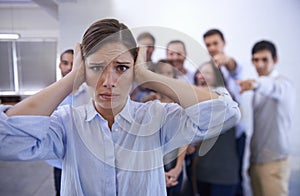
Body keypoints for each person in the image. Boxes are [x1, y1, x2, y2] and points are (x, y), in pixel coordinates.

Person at [0, 18, 240, 196]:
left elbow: (226, 112)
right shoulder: (66, 123)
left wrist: (147, 76)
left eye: (121, 67)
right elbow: (5, 138)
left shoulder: (155, 118)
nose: (108, 81)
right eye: (97, 68)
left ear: (134, 68)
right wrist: (70, 79)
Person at [237, 40, 295, 196]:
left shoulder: (283, 85)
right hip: (256, 162)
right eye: (256, 60)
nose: (260, 65)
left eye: (264, 60)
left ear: (275, 60)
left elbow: (271, 86)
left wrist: (255, 84)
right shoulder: (257, 89)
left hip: (274, 163)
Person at [203, 29, 247, 196]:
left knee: (235, 180)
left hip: (235, 135)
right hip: (216, 135)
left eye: (216, 43)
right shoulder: (206, 70)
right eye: (208, 45)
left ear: (224, 43)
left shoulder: (233, 69)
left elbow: (233, 66)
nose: (212, 47)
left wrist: (226, 60)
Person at [194, 61, 240, 196]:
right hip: (203, 172)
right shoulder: (195, 100)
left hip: (223, 175)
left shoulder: (226, 99)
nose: (200, 76)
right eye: (199, 72)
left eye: (206, 73)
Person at [145, 59, 187, 196]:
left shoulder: (182, 104)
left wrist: (177, 168)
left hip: (175, 167)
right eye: (162, 73)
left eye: (169, 73)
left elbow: (185, 137)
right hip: (153, 168)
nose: (166, 77)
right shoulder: (147, 105)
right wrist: (158, 171)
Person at [130, 32, 155, 102]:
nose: (146, 50)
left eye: (149, 47)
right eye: (143, 46)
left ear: (154, 48)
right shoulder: (129, 69)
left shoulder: (159, 69)